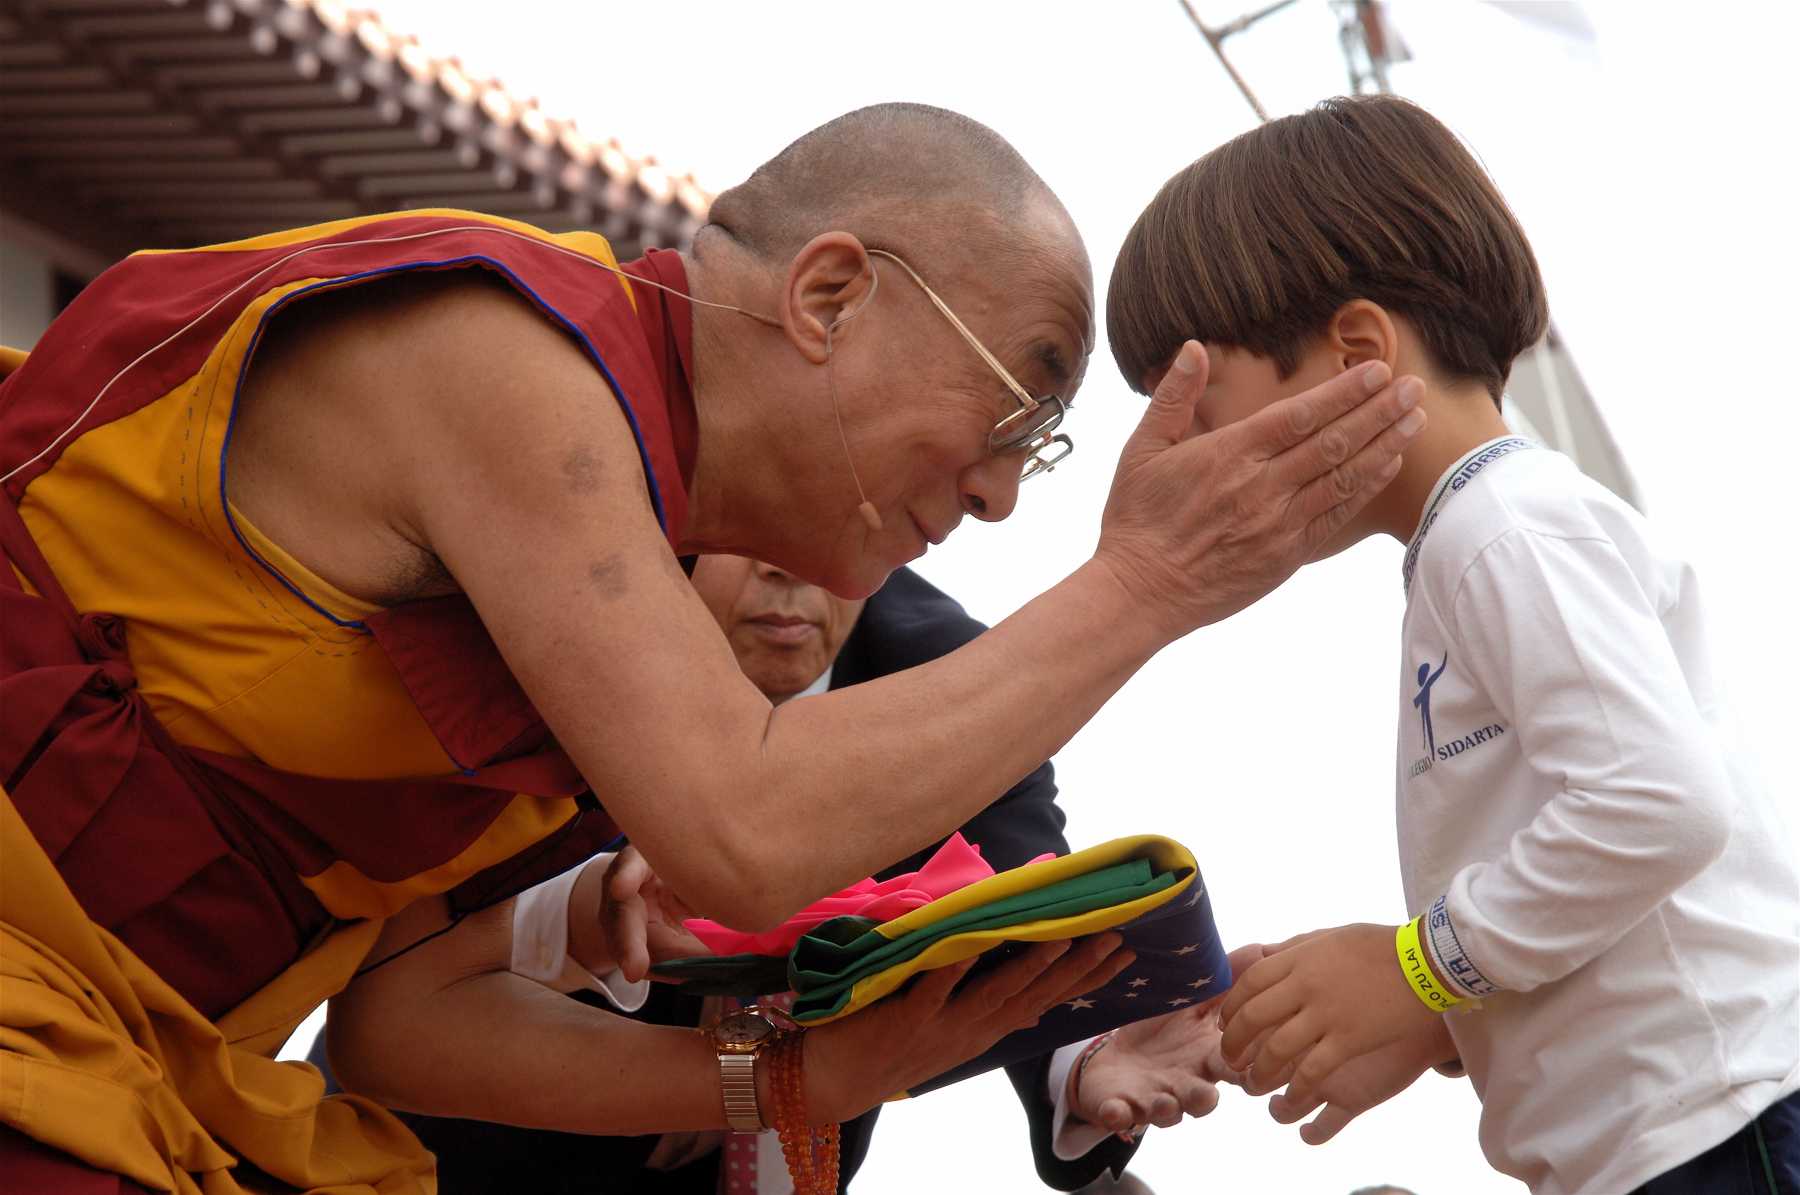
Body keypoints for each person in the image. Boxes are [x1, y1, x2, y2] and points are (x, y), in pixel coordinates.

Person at [0, 102, 1422, 1193]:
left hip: (145, 1049)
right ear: (828, 296)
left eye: (1034, 460)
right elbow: (740, 827)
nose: (996, 494)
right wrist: (1148, 580)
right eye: (1010, 418)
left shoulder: (637, 576)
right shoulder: (505, 372)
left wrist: (790, 1071)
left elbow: (397, 1025)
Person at [1105, 94, 1800, 1193]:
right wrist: (1431, 1020)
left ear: (1358, 354)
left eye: (1198, 404)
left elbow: (1661, 809)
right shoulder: (1471, 543)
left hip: (1714, 1130)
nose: (1184, 456)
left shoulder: (1498, 527)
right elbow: (1601, 855)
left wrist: (1414, 967)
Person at [317, 556, 1227, 1193]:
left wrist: (1082, 1044)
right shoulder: (554, 614)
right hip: (439, 1150)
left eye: (857, 522)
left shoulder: (949, 673)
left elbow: (1018, 886)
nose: (793, 572)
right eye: (761, 523)